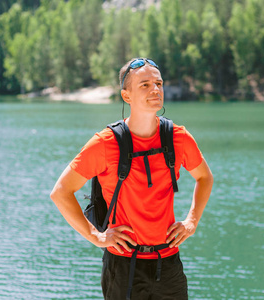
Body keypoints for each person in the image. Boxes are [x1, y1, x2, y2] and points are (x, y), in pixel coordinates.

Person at [50, 58, 213, 300]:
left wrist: (191, 221)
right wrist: (96, 236)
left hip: (168, 263)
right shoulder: (105, 143)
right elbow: (61, 192)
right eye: (145, 85)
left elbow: (205, 178)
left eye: (158, 83)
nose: (155, 89)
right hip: (123, 266)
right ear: (126, 96)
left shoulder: (178, 138)